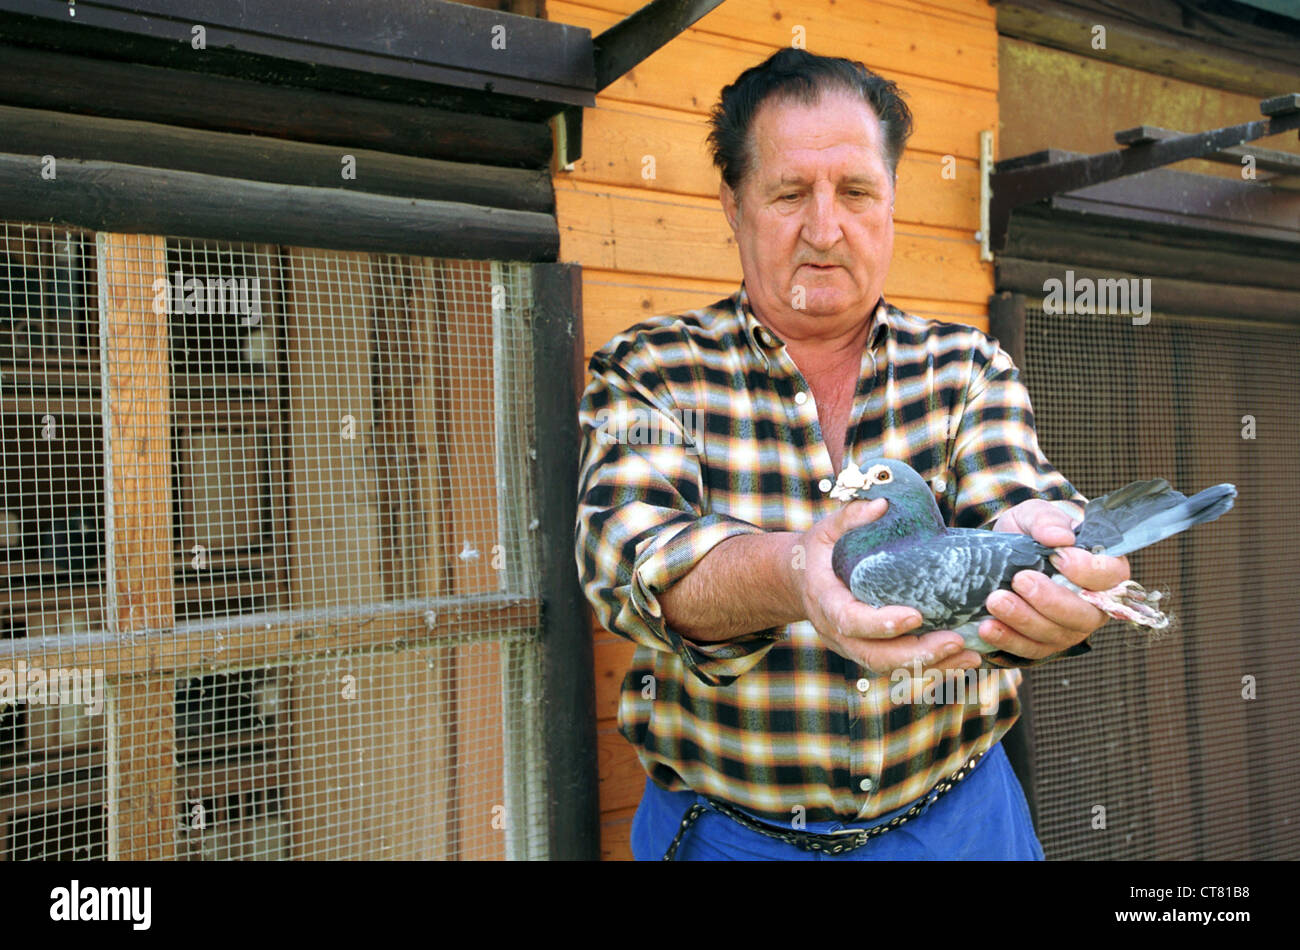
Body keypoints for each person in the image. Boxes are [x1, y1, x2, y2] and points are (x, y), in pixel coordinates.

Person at [574, 48, 1129, 861]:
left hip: (959, 826)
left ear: (893, 201)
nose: (825, 229)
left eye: (858, 192)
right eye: (790, 193)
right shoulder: (651, 371)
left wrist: (1065, 563)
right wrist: (799, 571)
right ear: (733, 203)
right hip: (732, 838)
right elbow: (627, 566)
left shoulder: (966, 368)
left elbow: (1020, 496)